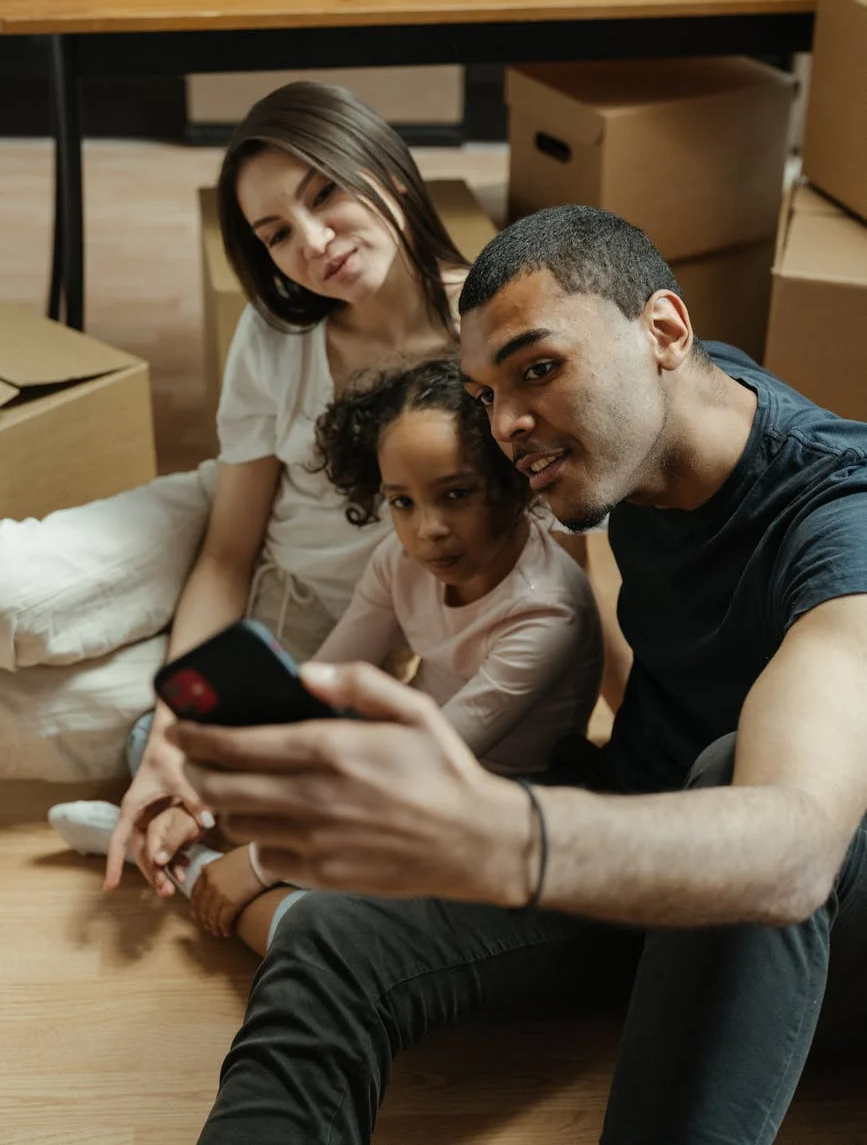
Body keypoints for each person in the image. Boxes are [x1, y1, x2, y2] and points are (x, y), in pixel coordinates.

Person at [169, 205, 867, 1145]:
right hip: (638, 844)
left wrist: (497, 833)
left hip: (800, 911)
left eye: (537, 370)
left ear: (664, 329)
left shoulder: (842, 527)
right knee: (329, 936)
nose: (506, 425)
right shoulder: (663, 407)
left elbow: (792, 850)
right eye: (485, 392)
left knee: (732, 765)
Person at [18, 79, 469, 890]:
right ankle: (168, 787)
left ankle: (169, 807)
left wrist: (171, 736)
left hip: (305, 643)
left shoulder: (493, 333)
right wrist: (172, 729)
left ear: (391, 172)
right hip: (214, 530)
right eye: (276, 233)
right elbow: (227, 553)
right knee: (17, 599)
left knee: (32, 727)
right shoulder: (275, 334)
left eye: (324, 194)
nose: (312, 241)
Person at [149, 354, 601, 951]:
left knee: (324, 928)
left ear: (511, 481)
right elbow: (322, 687)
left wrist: (256, 864)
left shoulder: (547, 611)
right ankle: (186, 847)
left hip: (477, 809)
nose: (426, 529)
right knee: (183, 755)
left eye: (456, 494)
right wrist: (203, 797)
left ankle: (190, 871)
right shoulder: (398, 561)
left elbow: (427, 770)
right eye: (402, 502)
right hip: (390, 762)